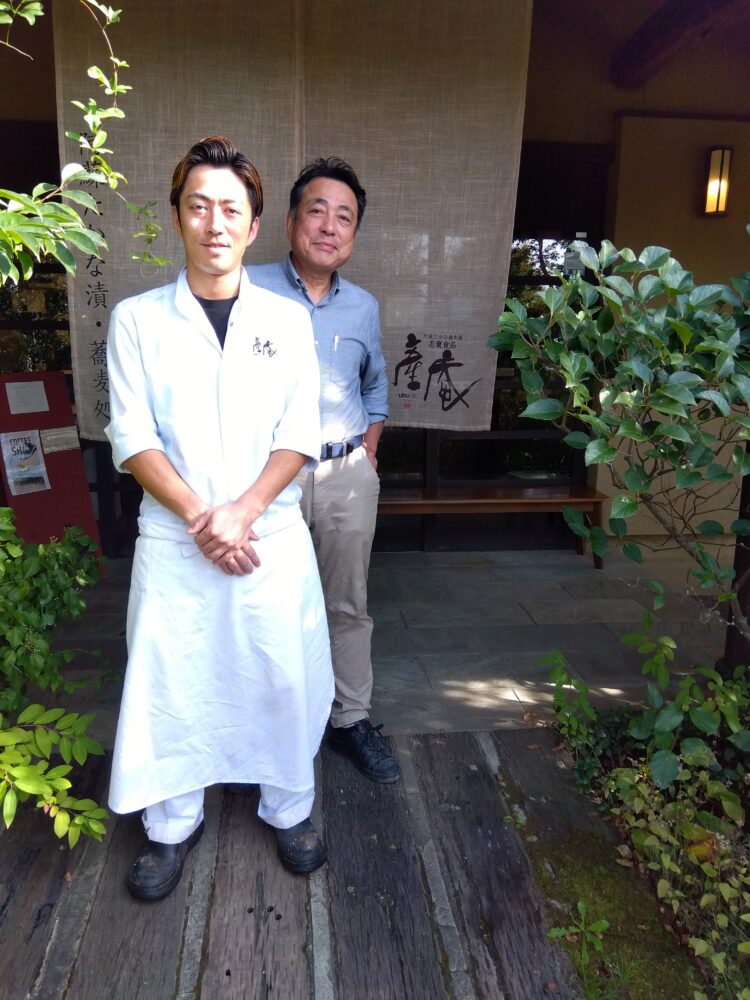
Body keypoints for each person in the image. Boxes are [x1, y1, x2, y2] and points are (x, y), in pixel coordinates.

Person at [105, 136, 334, 901]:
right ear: (177, 216)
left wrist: (245, 511)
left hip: (268, 535)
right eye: (198, 206)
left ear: (254, 224)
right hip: (178, 541)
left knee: (279, 675)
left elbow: (299, 431)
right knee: (174, 681)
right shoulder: (138, 320)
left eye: (230, 209)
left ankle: (289, 807)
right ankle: (171, 822)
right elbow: (132, 436)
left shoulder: (286, 320)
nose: (215, 223)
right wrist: (206, 519)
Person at [249, 157, 400, 784]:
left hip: (344, 474)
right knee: (262, 602)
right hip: (264, 481)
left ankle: (350, 719)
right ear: (290, 222)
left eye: (345, 217)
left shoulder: (362, 307)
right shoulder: (247, 288)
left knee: (347, 602)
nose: (330, 226)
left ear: (354, 234)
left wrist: (367, 455)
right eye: (317, 211)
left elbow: (376, 388)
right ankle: (266, 725)